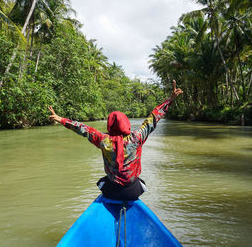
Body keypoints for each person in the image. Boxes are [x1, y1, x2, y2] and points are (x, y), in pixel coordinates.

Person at [48, 80, 183, 201]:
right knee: (142, 183)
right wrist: (170, 100)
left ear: (110, 125)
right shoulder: (137, 137)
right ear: (126, 123)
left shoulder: (103, 140)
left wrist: (61, 119)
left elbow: (82, 129)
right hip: (133, 191)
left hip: (111, 191)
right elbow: (153, 118)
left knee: (101, 182)